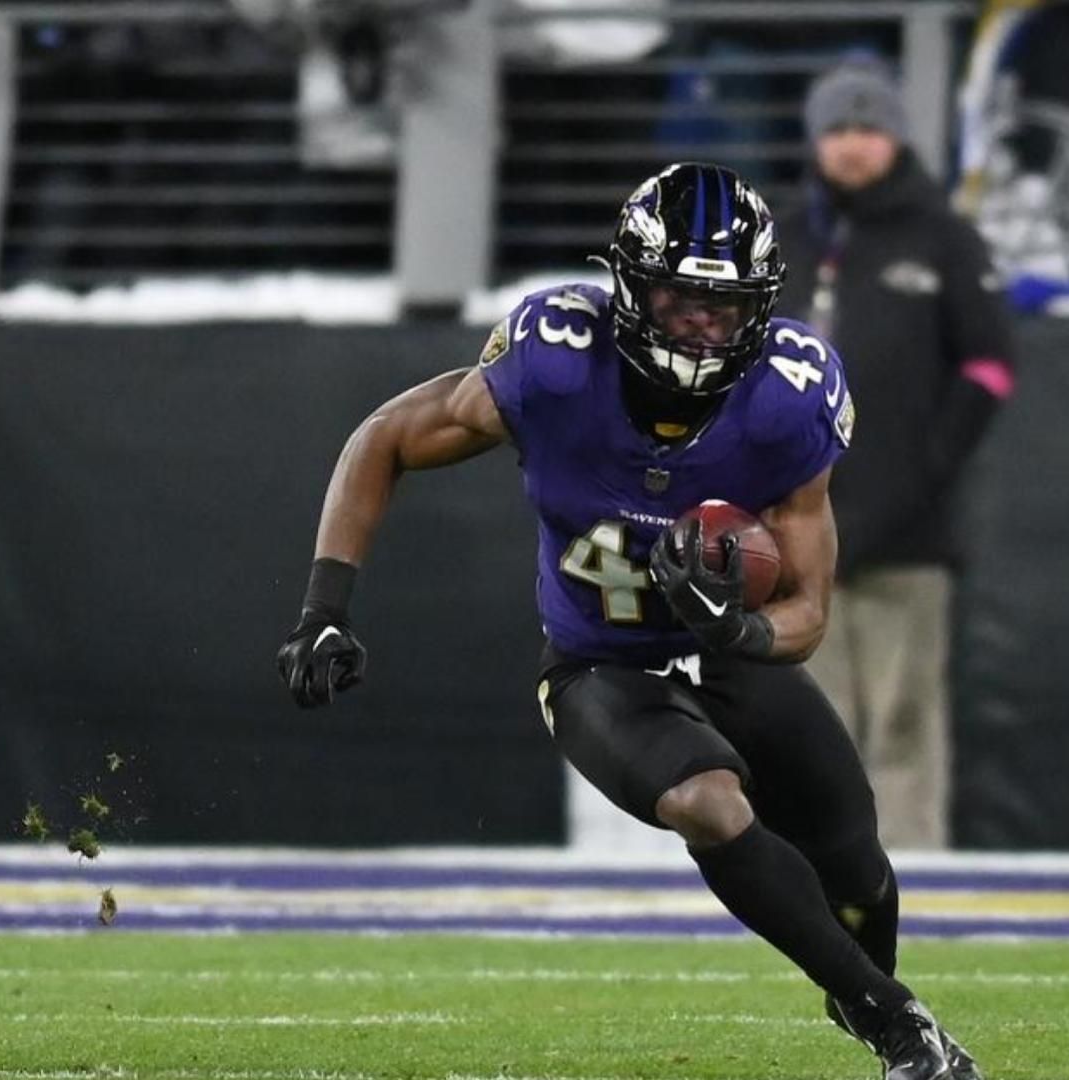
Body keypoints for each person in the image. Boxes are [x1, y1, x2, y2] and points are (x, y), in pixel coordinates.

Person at [275, 162, 980, 1080]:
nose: (699, 322)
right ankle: (901, 1030)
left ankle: (868, 999)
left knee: (856, 864)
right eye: (678, 296)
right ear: (629, 285)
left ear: (760, 306)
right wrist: (324, 609)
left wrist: (740, 633)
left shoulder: (787, 395)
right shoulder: (556, 361)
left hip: (727, 657)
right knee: (707, 803)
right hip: (596, 665)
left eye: (723, 305)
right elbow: (386, 438)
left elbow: (808, 609)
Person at [777, 60, 1015, 850]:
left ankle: (914, 881)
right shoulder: (781, 235)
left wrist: (926, 468)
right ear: (814, 140)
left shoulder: (942, 236)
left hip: (907, 529)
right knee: (813, 726)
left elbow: (988, 366)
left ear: (897, 139)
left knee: (904, 719)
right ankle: (814, 885)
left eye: (868, 129)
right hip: (790, 534)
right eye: (837, 130)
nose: (851, 147)